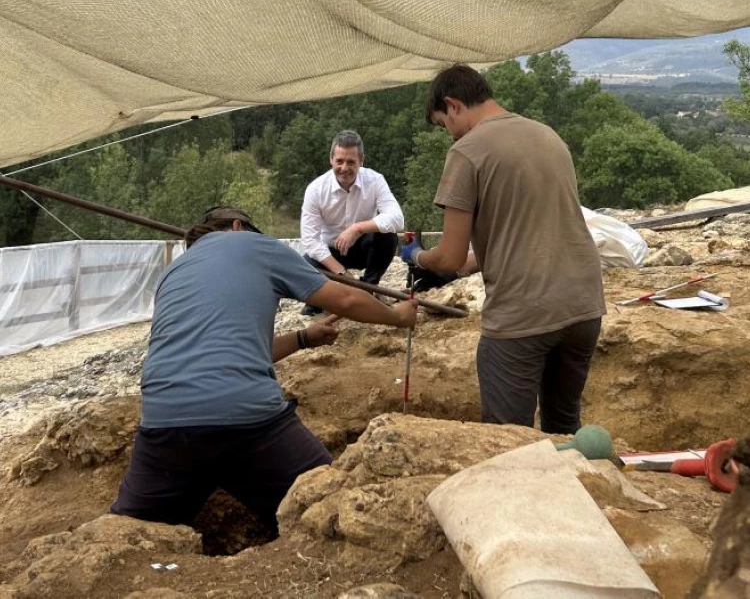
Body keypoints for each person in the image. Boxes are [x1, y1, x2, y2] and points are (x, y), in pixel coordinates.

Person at [111, 205, 416, 530]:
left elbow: (233, 351)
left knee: (129, 534)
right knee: (332, 508)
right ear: (239, 226)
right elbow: (345, 299)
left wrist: (303, 338)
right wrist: (397, 316)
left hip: (164, 424)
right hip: (248, 421)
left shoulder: (173, 272)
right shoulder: (254, 245)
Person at [401, 65, 606, 434]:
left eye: (443, 123)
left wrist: (416, 255)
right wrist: (467, 262)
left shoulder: (467, 152)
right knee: (563, 425)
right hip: (584, 305)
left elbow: (447, 259)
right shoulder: (547, 136)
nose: (448, 134)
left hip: (524, 312)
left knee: (506, 439)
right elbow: (522, 236)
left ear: (453, 105)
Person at [300, 130, 404, 315]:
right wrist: (341, 273)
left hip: (363, 248)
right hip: (330, 256)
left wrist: (358, 228)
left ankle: (369, 287)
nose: (344, 168)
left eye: (351, 162)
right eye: (339, 161)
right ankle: (320, 300)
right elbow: (310, 240)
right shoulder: (315, 190)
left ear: (361, 161)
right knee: (306, 262)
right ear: (331, 159)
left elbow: (397, 218)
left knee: (388, 236)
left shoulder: (375, 180)